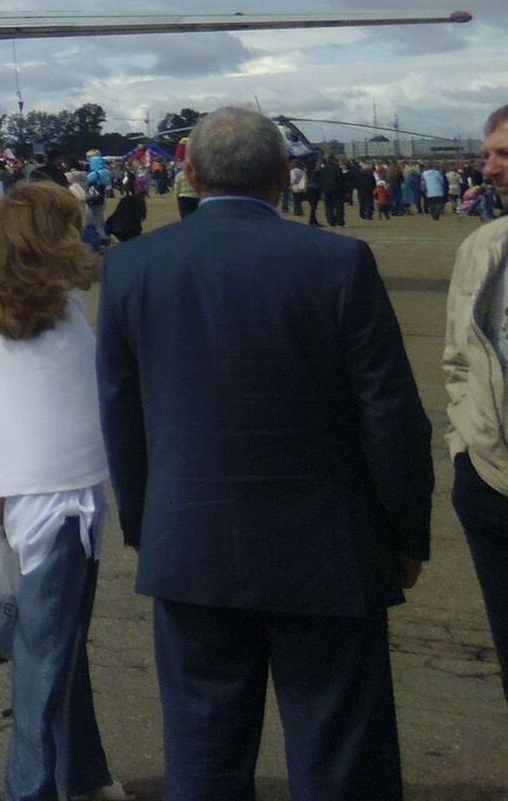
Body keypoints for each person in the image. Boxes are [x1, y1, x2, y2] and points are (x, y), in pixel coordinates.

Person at [97, 108, 433, 798]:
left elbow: (120, 415)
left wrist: (143, 526)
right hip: (329, 549)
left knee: (202, 754)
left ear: (187, 176)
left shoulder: (133, 267)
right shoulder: (337, 261)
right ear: (285, 177)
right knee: (341, 753)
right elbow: (390, 413)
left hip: (188, 542)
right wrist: (404, 534)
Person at [0, 184, 122, 801]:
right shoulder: (63, 319)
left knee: (61, 649)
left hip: (20, 501)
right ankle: (32, 789)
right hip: (63, 505)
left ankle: (84, 773)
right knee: (45, 661)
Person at [444, 104, 508, 703]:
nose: (487, 169)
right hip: (492, 481)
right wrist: (464, 447)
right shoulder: (482, 248)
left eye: (503, 155)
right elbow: (456, 358)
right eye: (489, 153)